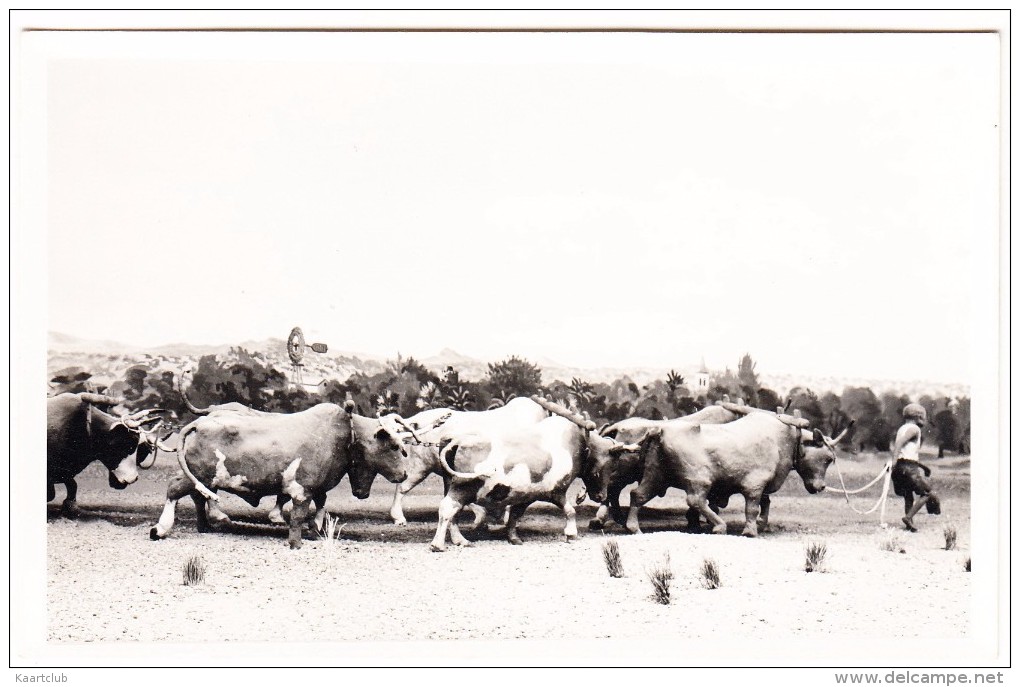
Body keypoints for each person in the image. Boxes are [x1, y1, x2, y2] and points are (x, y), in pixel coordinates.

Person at [891, 403, 940, 531]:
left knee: (908, 495)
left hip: (902, 467)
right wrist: (894, 460)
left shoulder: (902, 428)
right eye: (924, 417)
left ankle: (910, 523)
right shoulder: (915, 429)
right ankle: (908, 517)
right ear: (919, 417)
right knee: (927, 493)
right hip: (909, 468)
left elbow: (907, 454)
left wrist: (923, 467)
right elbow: (900, 444)